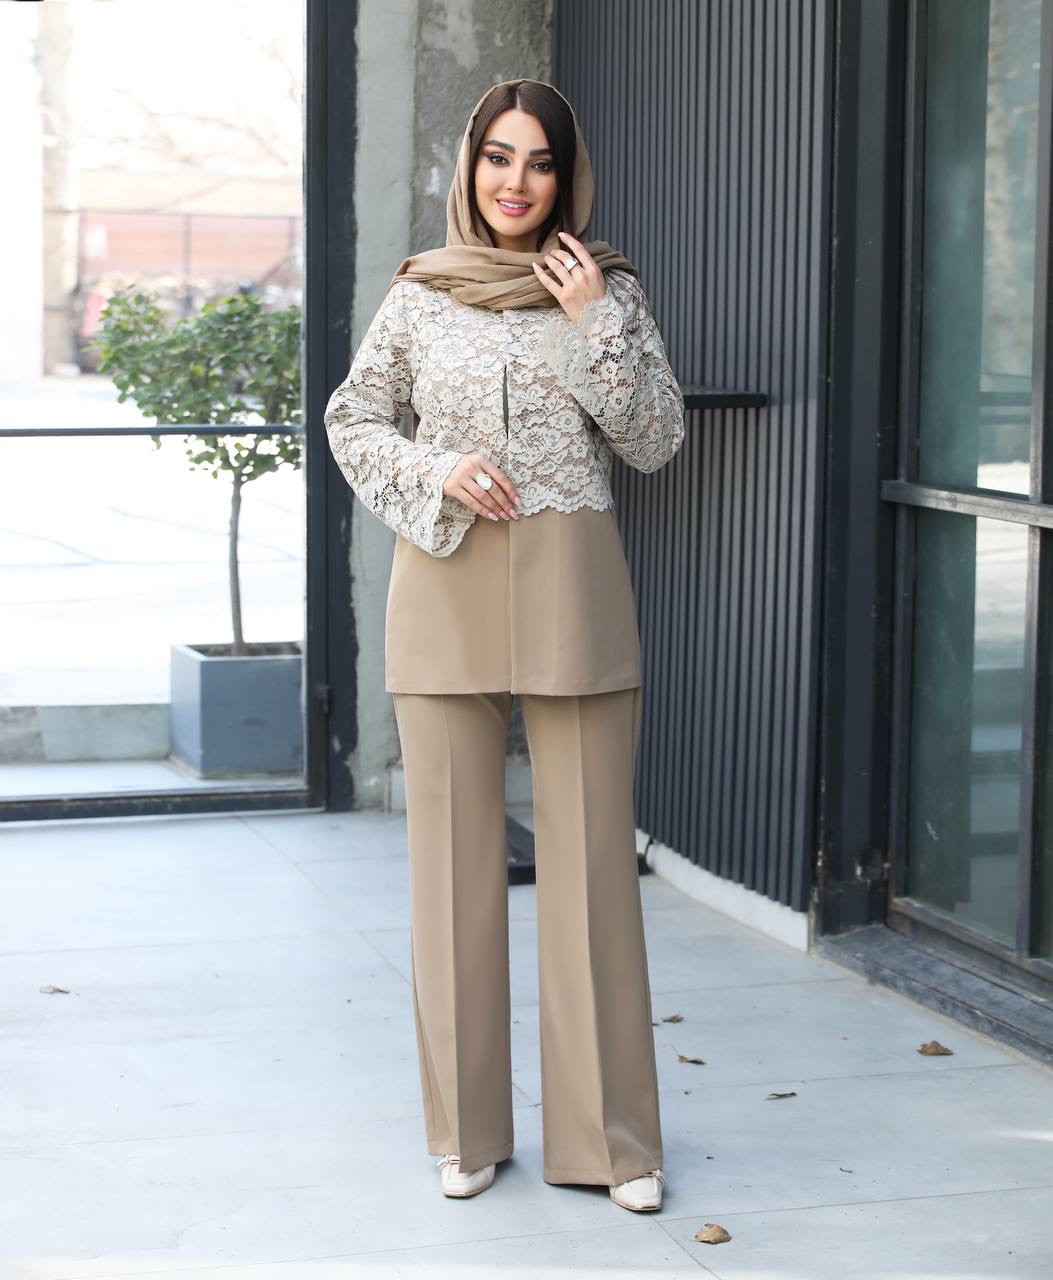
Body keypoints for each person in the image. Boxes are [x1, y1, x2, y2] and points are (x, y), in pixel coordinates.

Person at [323, 77, 684, 1211]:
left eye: (538, 161)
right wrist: (436, 468)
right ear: (470, 166)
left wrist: (595, 324)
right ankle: (465, 1132)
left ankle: (613, 1143)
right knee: (451, 874)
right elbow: (352, 417)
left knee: (591, 871)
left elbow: (656, 440)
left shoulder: (604, 288)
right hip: (445, 584)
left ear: (565, 176)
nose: (515, 182)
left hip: (574, 586)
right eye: (497, 157)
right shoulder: (421, 294)